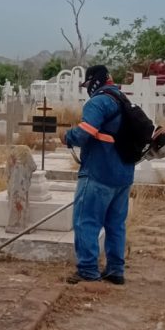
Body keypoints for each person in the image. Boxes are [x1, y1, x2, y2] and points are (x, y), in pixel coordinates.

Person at [63, 65, 134, 285]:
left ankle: (88, 270)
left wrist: (67, 136)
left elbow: (84, 133)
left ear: (94, 82)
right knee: (116, 225)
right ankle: (115, 270)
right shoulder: (124, 100)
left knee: (86, 222)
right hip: (123, 175)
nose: (87, 89)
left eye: (87, 84)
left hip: (98, 173)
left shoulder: (98, 102)